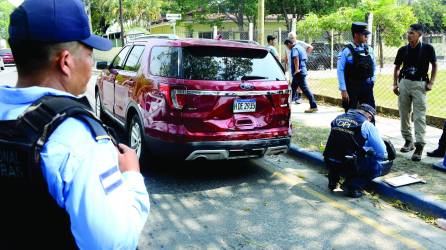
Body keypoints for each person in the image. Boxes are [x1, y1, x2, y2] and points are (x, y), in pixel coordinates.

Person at [0, 0, 150, 248]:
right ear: (66, 62)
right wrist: (132, 176)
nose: (92, 65)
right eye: (90, 55)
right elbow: (115, 243)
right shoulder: (77, 140)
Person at [323, 104, 393, 198]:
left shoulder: (338, 118)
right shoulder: (366, 124)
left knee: (340, 152)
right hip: (349, 163)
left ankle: (333, 179)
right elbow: (381, 151)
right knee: (377, 164)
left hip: (329, 159)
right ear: (369, 116)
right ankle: (353, 186)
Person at [393, 23, 437, 161]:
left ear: (419, 34)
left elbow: (435, 65)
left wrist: (431, 82)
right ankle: (408, 141)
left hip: (420, 84)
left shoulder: (428, 49)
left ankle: (419, 146)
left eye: (411, 32)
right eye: (408, 32)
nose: (408, 34)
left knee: (419, 115)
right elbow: (397, 67)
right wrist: (395, 83)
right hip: (404, 83)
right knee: (404, 113)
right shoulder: (403, 50)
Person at [337, 22, 377, 113]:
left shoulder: (369, 49)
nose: (366, 37)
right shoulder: (347, 51)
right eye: (364, 35)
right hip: (352, 86)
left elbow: (374, 65)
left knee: (369, 112)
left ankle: (369, 127)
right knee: (351, 112)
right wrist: (343, 90)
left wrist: (372, 80)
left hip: (367, 86)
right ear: (356, 35)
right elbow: (340, 70)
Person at [284, 39, 318, 113]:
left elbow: (296, 58)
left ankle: (313, 106)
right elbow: (305, 58)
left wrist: (296, 69)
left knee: (305, 90)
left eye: (287, 46)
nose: (287, 48)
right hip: (301, 71)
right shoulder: (300, 47)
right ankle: (287, 105)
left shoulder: (294, 49)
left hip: (298, 73)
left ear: (289, 43)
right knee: (293, 89)